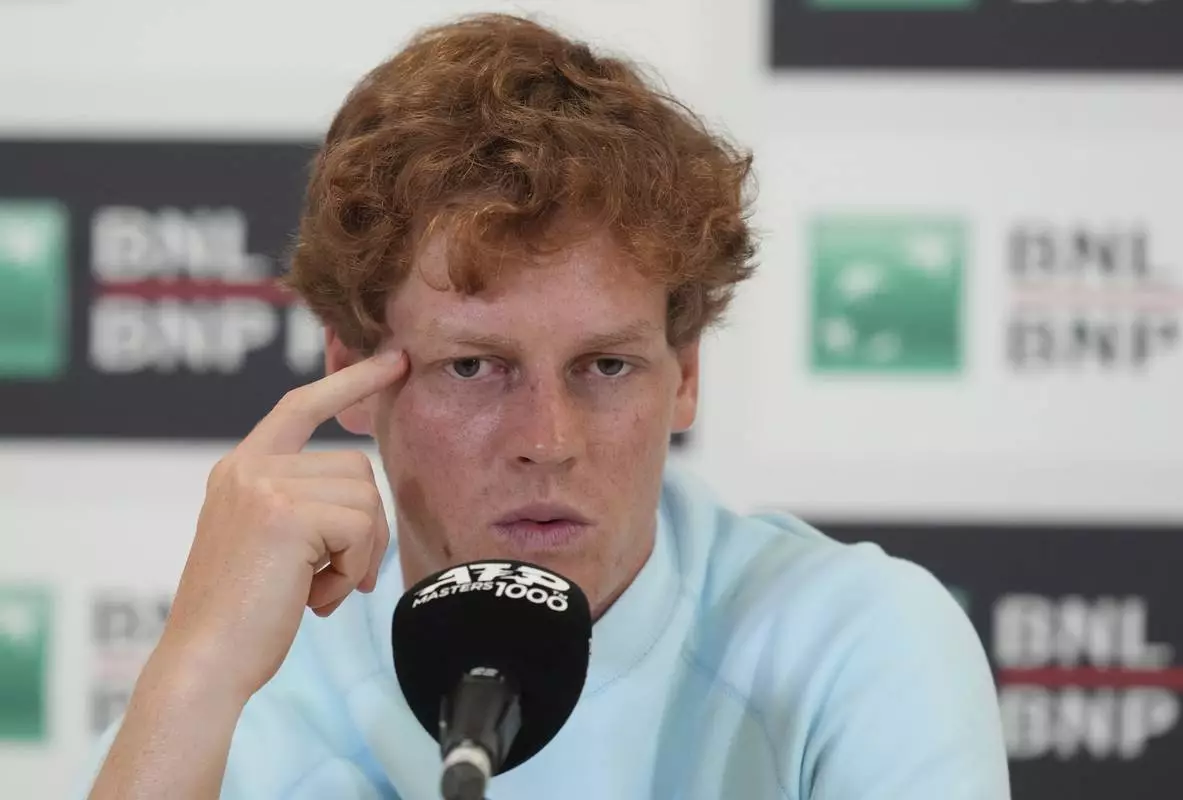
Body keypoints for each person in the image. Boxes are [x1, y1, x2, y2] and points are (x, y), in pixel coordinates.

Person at [79, 12, 1010, 800]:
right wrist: (192, 676)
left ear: (684, 375)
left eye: (604, 366)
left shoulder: (854, 644)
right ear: (350, 371)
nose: (547, 441)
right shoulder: (254, 685)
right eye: (475, 369)